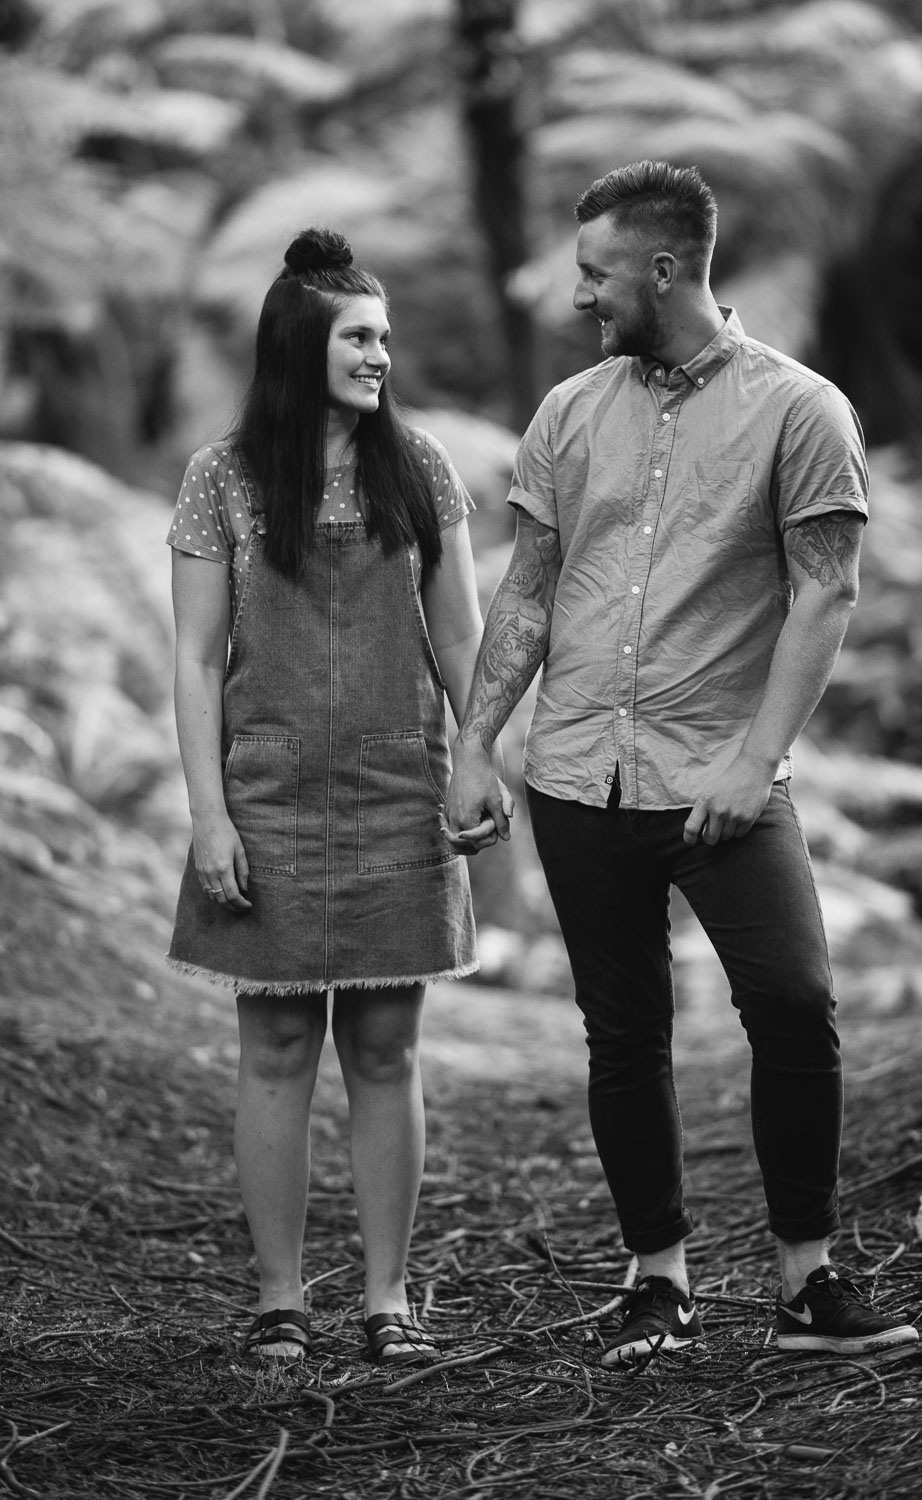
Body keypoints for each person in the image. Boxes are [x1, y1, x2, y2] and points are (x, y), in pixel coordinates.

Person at [445, 161, 919, 1365]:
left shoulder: (799, 409)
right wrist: (475, 747)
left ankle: (805, 1280)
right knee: (622, 1034)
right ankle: (655, 1277)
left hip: (721, 777)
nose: (578, 295)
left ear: (663, 269)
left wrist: (753, 763)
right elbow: (529, 594)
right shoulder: (567, 413)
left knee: (794, 1006)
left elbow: (825, 592)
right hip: (575, 774)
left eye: (594, 272)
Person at [166, 228, 506, 1367]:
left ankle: (387, 1297)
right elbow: (193, 656)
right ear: (299, 342)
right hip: (264, 794)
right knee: (271, 1051)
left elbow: (459, 631)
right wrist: (210, 814)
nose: (379, 356)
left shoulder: (423, 470)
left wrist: (476, 751)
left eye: (385, 338)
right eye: (359, 336)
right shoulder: (222, 476)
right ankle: (278, 1301)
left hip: (396, 787)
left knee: (384, 1051)